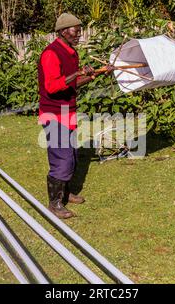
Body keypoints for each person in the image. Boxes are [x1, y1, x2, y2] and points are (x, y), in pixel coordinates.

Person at [38, 13, 113, 219]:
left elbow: (72, 84)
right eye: (76, 30)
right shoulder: (51, 54)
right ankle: (54, 203)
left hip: (68, 110)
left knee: (71, 156)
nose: (79, 34)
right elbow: (52, 87)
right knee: (61, 159)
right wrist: (77, 73)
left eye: (79, 30)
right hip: (54, 113)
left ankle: (65, 192)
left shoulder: (71, 52)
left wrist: (94, 74)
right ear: (64, 31)